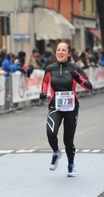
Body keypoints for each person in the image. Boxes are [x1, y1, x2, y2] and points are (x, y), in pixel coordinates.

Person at [39, 42, 93, 177]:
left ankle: (71, 165)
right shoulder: (50, 68)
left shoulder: (75, 68)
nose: (60, 52)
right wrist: (44, 92)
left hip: (71, 107)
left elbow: (89, 87)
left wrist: (78, 79)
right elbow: (45, 81)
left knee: (68, 140)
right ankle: (56, 152)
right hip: (55, 105)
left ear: (69, 53)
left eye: (63, 50)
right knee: (51, 132)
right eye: (58, 50)